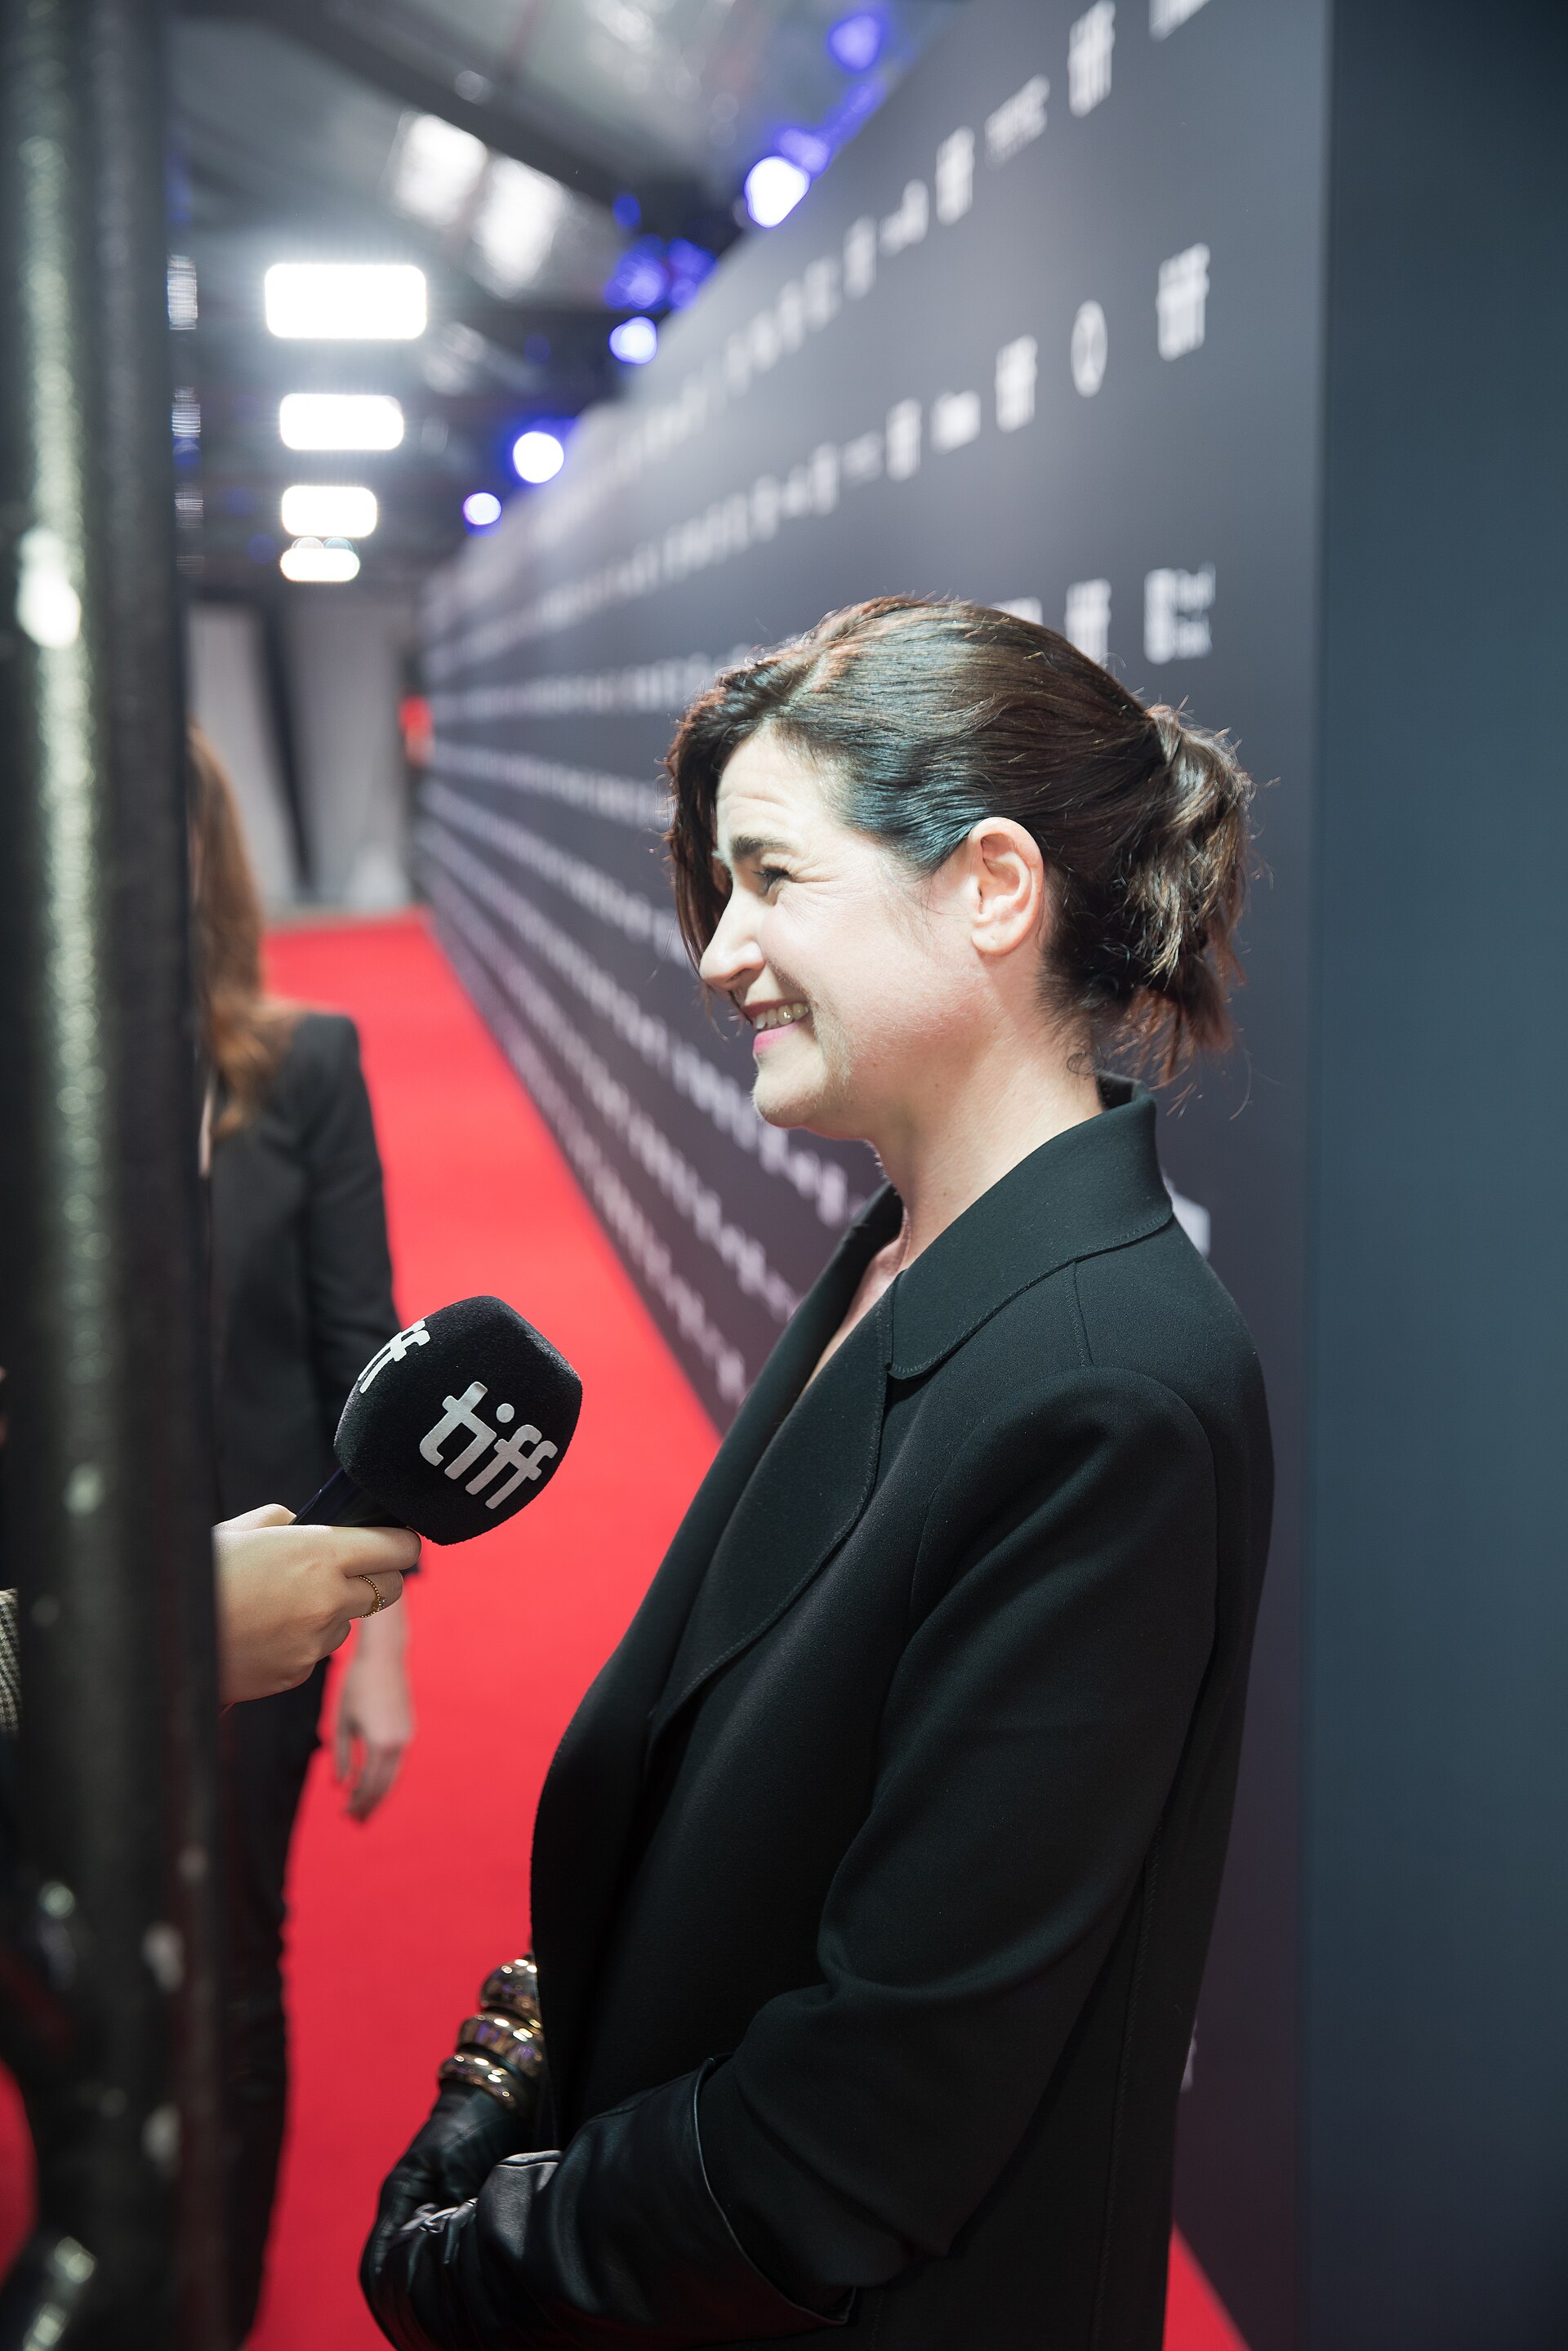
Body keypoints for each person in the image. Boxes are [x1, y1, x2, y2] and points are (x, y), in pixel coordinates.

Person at [362, 599, 1274, 2351]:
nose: (720, 952)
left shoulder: (1105, 1391)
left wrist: (489, 2261)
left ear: (992, 889)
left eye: (777, 879)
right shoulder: (907, 1254)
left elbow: (872, 2118)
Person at [187, 725, 415, 2339]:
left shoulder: (304, 1063)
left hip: (260, 1609)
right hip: (30, 1619)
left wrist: (379, 1647)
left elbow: (370, 1369)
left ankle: (210, 2301)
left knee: (223, 1961)